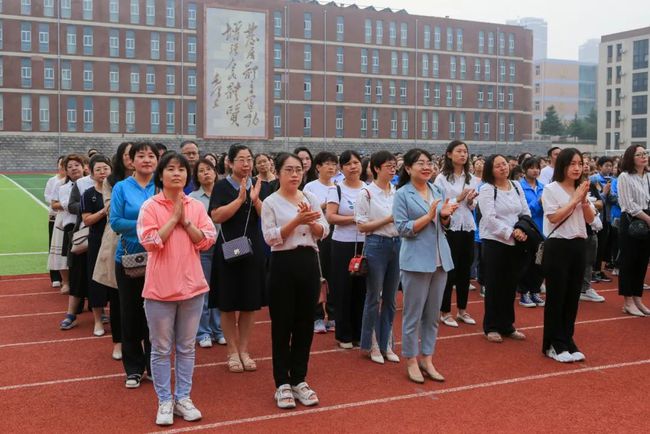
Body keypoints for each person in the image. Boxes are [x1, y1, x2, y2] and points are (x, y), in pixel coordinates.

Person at [137, 152, 216, 426]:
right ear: (161, 175)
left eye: (182, 169)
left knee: (186, 348)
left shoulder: (195, 206)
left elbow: (207, 240)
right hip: (160, 289)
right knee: (160, 349)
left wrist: (186, 221)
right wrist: (173, 219)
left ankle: (183, 397)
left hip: (192, 287)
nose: (177, 174)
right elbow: (149, 242)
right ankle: (164, 401)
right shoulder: (150, 206)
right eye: (170, 169)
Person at [261, 153, 329, 409]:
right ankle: (282, 383)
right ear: (278, 173)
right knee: (282, 325)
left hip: (308, 262)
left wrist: (311, 224)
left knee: (305, 324)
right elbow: (270, 237)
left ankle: (299, 379)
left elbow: (324, 230)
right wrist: (296, 221)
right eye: (288, 170)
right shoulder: (270, 202)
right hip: (282, 263)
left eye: (298, 170)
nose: (294, 174)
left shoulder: (310, 198)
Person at [393, 148, 458, 383]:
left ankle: (427, 358)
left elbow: (443, 225)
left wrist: (445, 217)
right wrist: (428, 217)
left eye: (429, 162)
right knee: (413, 314)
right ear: (408, 168)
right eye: (420, 163)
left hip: (440, 259)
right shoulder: (402, 194)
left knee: (432, 315)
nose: (426, 167)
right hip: (416, 261)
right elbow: (402, 228)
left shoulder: (437, 190)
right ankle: (411, 359)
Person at [209, 144, 265, 373]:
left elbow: (267, 217)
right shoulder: (222, 186)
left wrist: (255, 199)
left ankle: (244, 350)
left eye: (249, 159)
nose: (246, 163)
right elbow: (216, 216)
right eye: (241, 159)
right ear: (230, 163)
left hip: (252, 251)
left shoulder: (260, 185)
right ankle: (232, 351)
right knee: (228, 303)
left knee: (250, 304)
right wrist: (240, 200)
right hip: (228, 251)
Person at [110, 142, 159, 388]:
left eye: (151, 156)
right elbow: (116, 222)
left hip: (159, 259)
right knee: (130, 313)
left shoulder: (161, 186)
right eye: (141, 155)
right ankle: (133, 369)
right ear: (131, 160)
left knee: (156, 315)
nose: (147, 160)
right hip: (129, 259)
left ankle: (153, 365)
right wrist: (147, 225)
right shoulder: (121, 187)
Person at [541, 148, 596, 363]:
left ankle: (567, 339)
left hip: (578, 244)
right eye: (572, 164)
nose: (577, 168)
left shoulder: (580, 188)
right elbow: (553, 217)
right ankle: (553, 343)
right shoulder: (551, 189)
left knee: (572, 296)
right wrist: (574, 200)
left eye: (580, 163)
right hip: (558, 245)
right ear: (562, 165)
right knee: (557, 296)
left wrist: (583, 201)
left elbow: (590, 219)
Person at [478, 154, 531, 343]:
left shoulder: (516, 185)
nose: (503, 168)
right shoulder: (487, 189)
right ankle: (491, 326)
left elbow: (525, 211)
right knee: (494, 285)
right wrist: (510, 232)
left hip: (516, 241)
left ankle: (507, 325)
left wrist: (521, 229)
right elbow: (489, 218)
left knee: (510, 284)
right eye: (498, 166)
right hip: (495, 241)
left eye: (504, 164)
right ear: (490, 170)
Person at [355, 151, 401, 364]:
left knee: (391, 298)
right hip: (376, 244)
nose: (392, 170)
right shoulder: (366, 193)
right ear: (376, 168)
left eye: (394, 166)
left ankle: (387, 343)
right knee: (373, 296)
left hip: (397, 244)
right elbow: (362, 226)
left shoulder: (397, 192)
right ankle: (371, 343)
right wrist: (388, 219)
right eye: (388, 166)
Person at [434, 140, 479, 327]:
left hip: (467, 226)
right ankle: (445, 311)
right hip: (449, 228)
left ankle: (462, 310)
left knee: (464, 270)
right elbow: (439, 204)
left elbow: (473, 207)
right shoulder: (441, 178)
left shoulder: (472, 178)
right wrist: (458, 199)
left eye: (465, 152)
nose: (463, 155)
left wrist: (470, 201)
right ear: (449, 154)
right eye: (459, 151)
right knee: (449, 271)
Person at [326, 150, 366, 349]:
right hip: (343, 244)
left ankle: (360, 333)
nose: (353, 167)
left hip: (365, 243)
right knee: (343, 289)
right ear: (341, 168)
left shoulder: (368, 188)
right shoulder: (337, 189)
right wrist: (355, 219)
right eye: (348, 164)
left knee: (362, 289)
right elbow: (331, 217)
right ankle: (344, 335)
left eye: (356, 162)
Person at [189, 158, 226, 348]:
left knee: (220, 289)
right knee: (203, 291)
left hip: (225, 248)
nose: (206, 173)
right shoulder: (193, 198)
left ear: (215, 172)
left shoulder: (224, 193)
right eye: (201, 171)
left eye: (209, 169)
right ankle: (203, 332)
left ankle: (218, 330)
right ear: (196, 176)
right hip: (203, 248)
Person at [304, 152, 339, 333]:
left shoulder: (339, 186)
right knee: (318, 275)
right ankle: (317, 316)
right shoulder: (310, 187)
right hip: (317, 234)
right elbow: (309, 210)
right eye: (327, 164)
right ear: (318, 167)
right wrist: (327, 205)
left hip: (336, 233)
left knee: (334, 274)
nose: (331, 167)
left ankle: (332, 315)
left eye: (334, 164)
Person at [80, 155, 114, 336]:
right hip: (96, 240)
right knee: (96, 281)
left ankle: (115, 317)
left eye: (105, 168)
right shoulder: (89, 194)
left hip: (114, 240)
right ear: (92, 173)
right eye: (98, 169)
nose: (102, 172)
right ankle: (98, 321)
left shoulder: (117, 190)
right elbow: (86, 220)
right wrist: (103, 211)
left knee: (115, 280)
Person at [53, 154, 86, 327]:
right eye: (70, 166)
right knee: (76, 270)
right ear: (65, 171)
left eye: (77, 165)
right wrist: (91, 207)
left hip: (92, 228)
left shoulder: (91, 183)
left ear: (84, 166)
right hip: (73, 230)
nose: (74, 168)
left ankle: (98, 309)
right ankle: (73, 312)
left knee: (94, 270)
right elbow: (68, 206)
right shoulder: (64, 187)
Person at [617, 145, 650, 316]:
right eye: (639, 154)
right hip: (632, 220)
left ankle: (638, 299)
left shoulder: (648, 176)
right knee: (629, 261)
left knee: (642, 262)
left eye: (645, 153)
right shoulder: (625, 177)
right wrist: (648, 219)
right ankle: (628, 301)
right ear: (631, 158)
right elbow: (628, 204)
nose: (644, 156)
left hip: (647, 219)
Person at [517, 157, 546, 308]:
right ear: (524, 170)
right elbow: (524, 210)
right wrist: (538, 202)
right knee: (526, 262)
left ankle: (535, 290)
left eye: (537, 168)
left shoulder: (543, 187)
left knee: (539, 263)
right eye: (532, 167)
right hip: (527, 230)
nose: (535, 171)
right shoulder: (519, 187)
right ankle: (524, 292)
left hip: (541, 230)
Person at [590, 157, 615, 283]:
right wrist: (604, 193)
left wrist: (609, 194)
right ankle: (592, 271)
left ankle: (599, 270)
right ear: (599, 167)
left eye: (611, 165)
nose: (609, 168)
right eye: (606, 165)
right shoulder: (594, 180)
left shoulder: (613, 180)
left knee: (604, 245)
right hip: (597, 218)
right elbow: (595, 200)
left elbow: (614, 199)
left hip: (608, 217)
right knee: (596, 245)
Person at [45, 156, 66, 289]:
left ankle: (66, 276)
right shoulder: (53, 181)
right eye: (61, 164)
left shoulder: (73, 181)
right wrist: (61, 202)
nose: (63, 167)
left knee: (65, 247)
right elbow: (48, 196)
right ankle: (55, 276)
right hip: (54, 216)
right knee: (53, 245)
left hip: (66, 217)